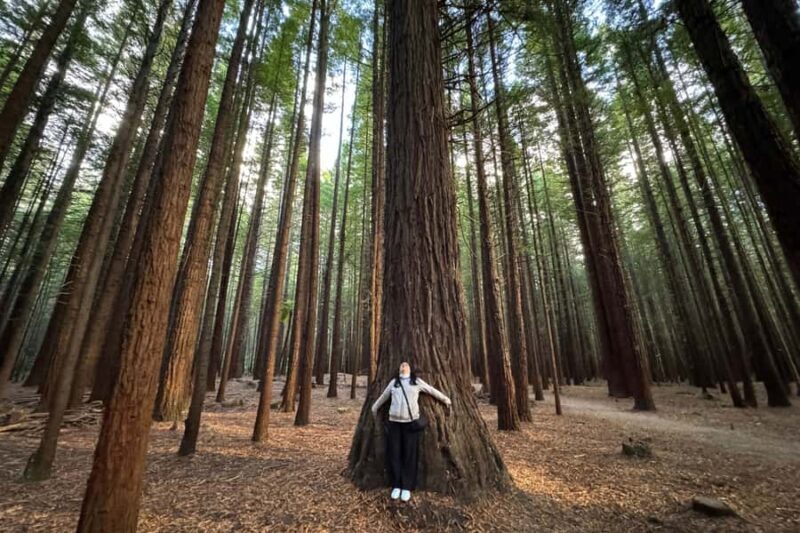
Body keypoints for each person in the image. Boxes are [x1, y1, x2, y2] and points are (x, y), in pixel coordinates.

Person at [371, 362, 452, 502]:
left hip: (410, 424)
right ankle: (396, 485)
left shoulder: (416, 382)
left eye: (406, 365)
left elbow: (431, 390)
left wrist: (445, 399)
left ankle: (406, 486)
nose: (403, 365)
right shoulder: (394, 382)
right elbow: (384, 396)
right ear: (399, 369)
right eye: (401, 365)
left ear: (410, 369)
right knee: (394, 454)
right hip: (394, 423)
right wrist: (374, 407)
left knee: (409, 455)